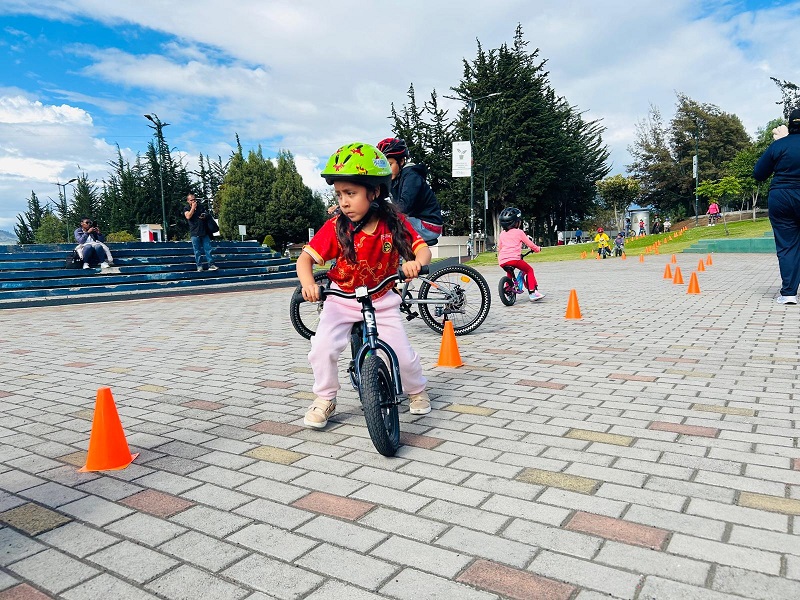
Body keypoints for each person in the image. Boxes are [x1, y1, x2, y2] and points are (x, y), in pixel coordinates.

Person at [297, 142, 433, 428]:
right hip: (341, 299)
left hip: (381, 298)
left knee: (402, 354)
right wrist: (308, 284)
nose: (343, 201)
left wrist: (414, 263)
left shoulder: (392, 222)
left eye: (351, 193)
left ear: (374, 192)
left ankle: (417, 391)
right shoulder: (336, 227)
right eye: (339, 194)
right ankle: (325, 398)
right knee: (321, 348)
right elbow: (305, 260)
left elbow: (422, 250)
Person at [754, 108, 800, 305]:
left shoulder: (779, 145)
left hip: (781, 197)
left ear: (789, 125)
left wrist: (780, 143)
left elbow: (759, 174)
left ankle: (789, 293)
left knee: (787, 246)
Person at [376, 138, 443, 245]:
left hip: (428, 225)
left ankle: (395, 260)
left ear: (401, 161)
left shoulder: (411, 176)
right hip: (416, 221)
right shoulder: (394, 178)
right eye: (383, 165)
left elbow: (404, 206)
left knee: (386, 225)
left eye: (390, 164)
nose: (386, 169)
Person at [497, 207, 544, 301]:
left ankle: (508, 288)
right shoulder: (519, 232)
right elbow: (530, 244)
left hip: (502, 260)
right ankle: (532, 292)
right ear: (516, 222)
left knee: (509, 272)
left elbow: (500, 247)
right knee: (529, 270)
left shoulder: (502, 234)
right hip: (514, 259)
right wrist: (537, 249)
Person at [184, 193, 218, 272]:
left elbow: (206, 214)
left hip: (204, 231)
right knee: (197, 251)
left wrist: (204, 216)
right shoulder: (186, 208)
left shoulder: (201, 207)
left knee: (208, 249)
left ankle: (211, 264)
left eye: (194, 199)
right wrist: (192, 208)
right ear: (188, 201)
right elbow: (188, 216)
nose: (193, 201)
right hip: (194, 233)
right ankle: (199, 266)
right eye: (191, 200)